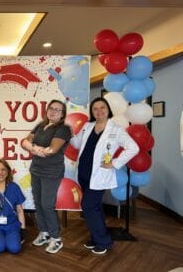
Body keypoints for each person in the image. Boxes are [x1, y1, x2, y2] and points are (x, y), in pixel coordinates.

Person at [70, 97, 139, 255]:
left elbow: (133, 148)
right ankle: (96, 238)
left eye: (102, 107)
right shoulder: (88, 126)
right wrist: (68, 133)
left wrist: (115, 163)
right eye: (95, 108)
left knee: (88, 206)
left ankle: (104, 241)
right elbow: (76, 144)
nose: (99, 111)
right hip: (83, 173)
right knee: (95, 207)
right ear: (92, 112)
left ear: (108, 109)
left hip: (99, 175)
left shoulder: (116, 129)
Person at [22, 99, 72, 254]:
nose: (53, 112)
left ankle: (56, 238)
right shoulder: (40, 125)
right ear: (47, 110)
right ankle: (44, 233)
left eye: (58, 110)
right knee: (38, 202)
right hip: (36, 170)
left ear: (62, 114)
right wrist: (36, 148)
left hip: (52, 172)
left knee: (47, 205)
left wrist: (34, 148)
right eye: (51, 108)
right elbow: (24, 142)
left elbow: (53, 149)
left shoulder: (64, 129)